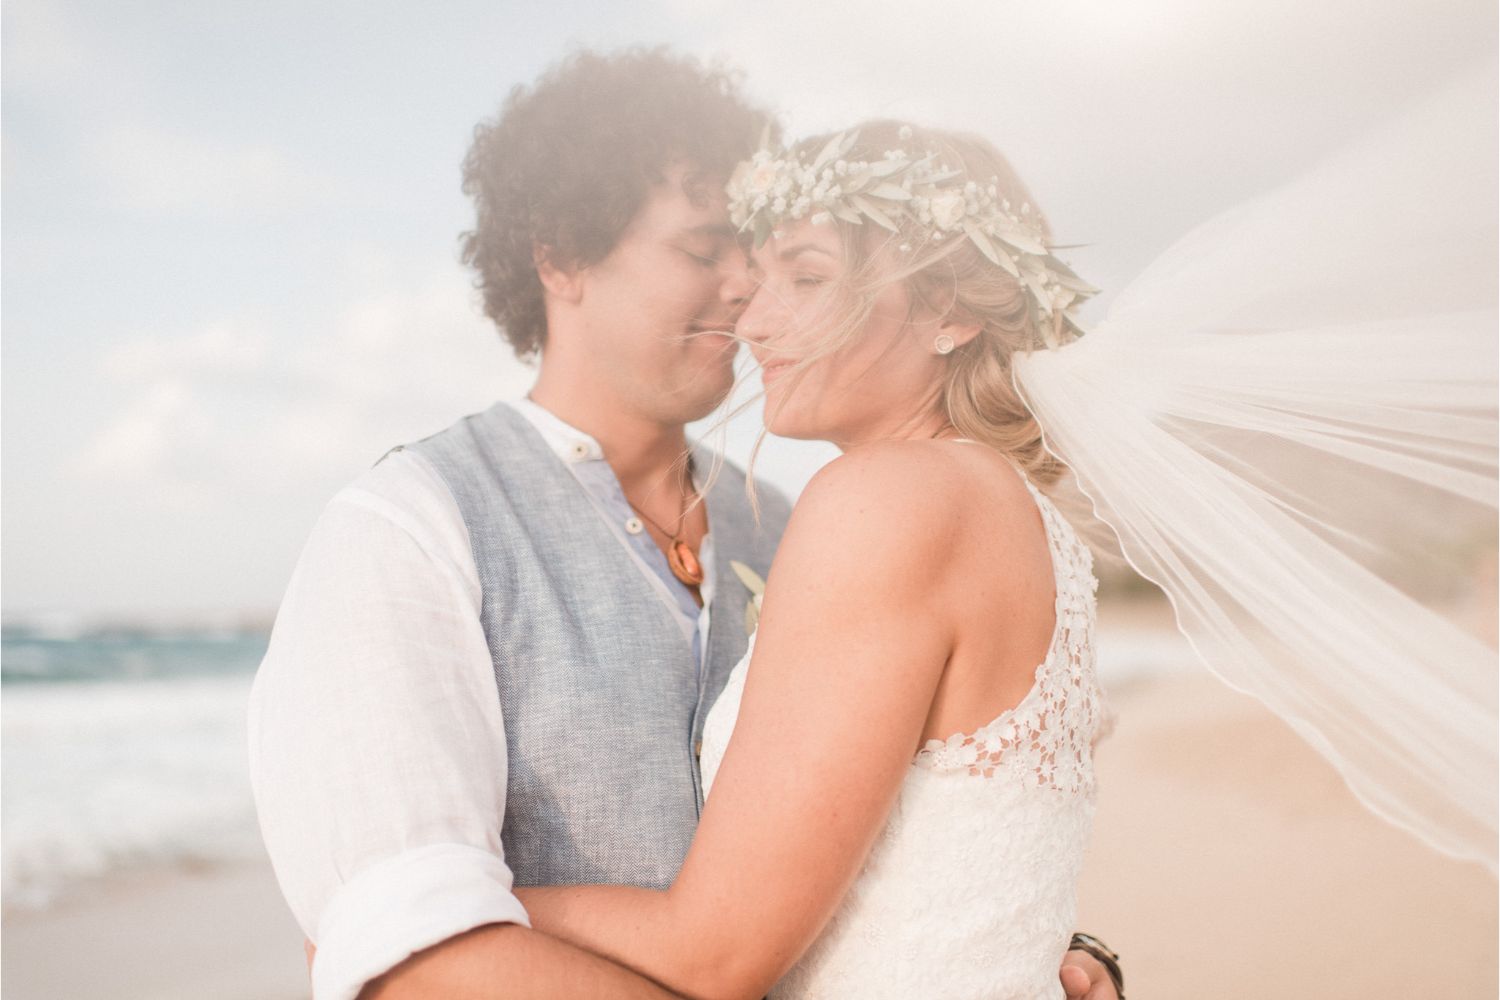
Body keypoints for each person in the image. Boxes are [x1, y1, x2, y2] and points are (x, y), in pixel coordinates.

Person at [499, 92, 1498, 993]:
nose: (752, 319)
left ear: (948, 312)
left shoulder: (888, 499)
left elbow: (716, 951)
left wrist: (449, 895)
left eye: (804, 276)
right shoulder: (1019, 515)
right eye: (756, 279)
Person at [249, 51, 1124, 1000]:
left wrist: (1037, 950)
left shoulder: (812, 519)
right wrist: (401, 917)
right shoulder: (409, 533)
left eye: (775, 261)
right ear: (560, 254)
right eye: (709, 251)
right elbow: (422, 968)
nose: (749, 298)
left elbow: (893, 859)